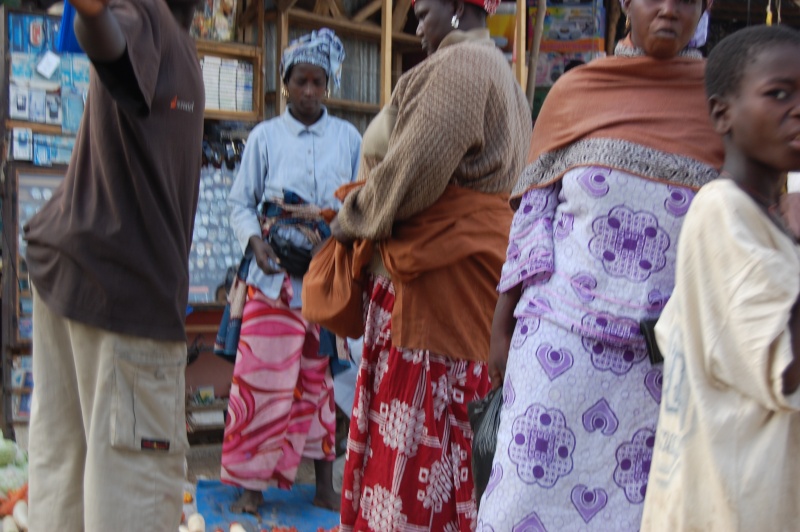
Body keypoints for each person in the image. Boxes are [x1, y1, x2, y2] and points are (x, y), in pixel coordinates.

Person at [476, 0, 724, 530]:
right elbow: (533, 214)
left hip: (658, 369)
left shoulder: (721, 102)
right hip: (557, 353)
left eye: (687, 0)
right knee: (520, 510)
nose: (668, 9)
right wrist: (503, 322)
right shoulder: (576, 93)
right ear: (625, 4)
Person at [328, 0, 531, 528]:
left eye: (424, 7)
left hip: (428, 299)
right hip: (456, 295)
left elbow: (409, 177)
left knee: (416, 458)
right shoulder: (500, 74)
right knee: (444, 452)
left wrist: (347, 219)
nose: (415, 15)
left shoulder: (461, 68)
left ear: (462, 6)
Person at [22, 0, 204, 528]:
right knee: (134, 494)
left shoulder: (177, 38)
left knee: (65, 470)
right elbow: (110, 43)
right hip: (128, 293)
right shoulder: (147, 12)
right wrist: (93, 14)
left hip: (71, 271)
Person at [640, 25, 800, 531]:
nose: (797, 107)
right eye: (779, 93)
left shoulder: (766, 220)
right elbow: (787, 368)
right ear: (721, 114)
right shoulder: (723, 214)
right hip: (732, 508)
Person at [220, 28, 361, 514]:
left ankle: (324, 484)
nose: (308, 91)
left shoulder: (348, 137)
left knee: (318, 385)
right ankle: (251, 490)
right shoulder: (264, 137)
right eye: (300, 80)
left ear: (327, 84)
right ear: (285, 82)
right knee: (258, 383)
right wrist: (256, 243)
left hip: (325, 281)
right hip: (272, 278)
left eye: (318, 82)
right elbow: (239, 202)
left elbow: (359, 201)